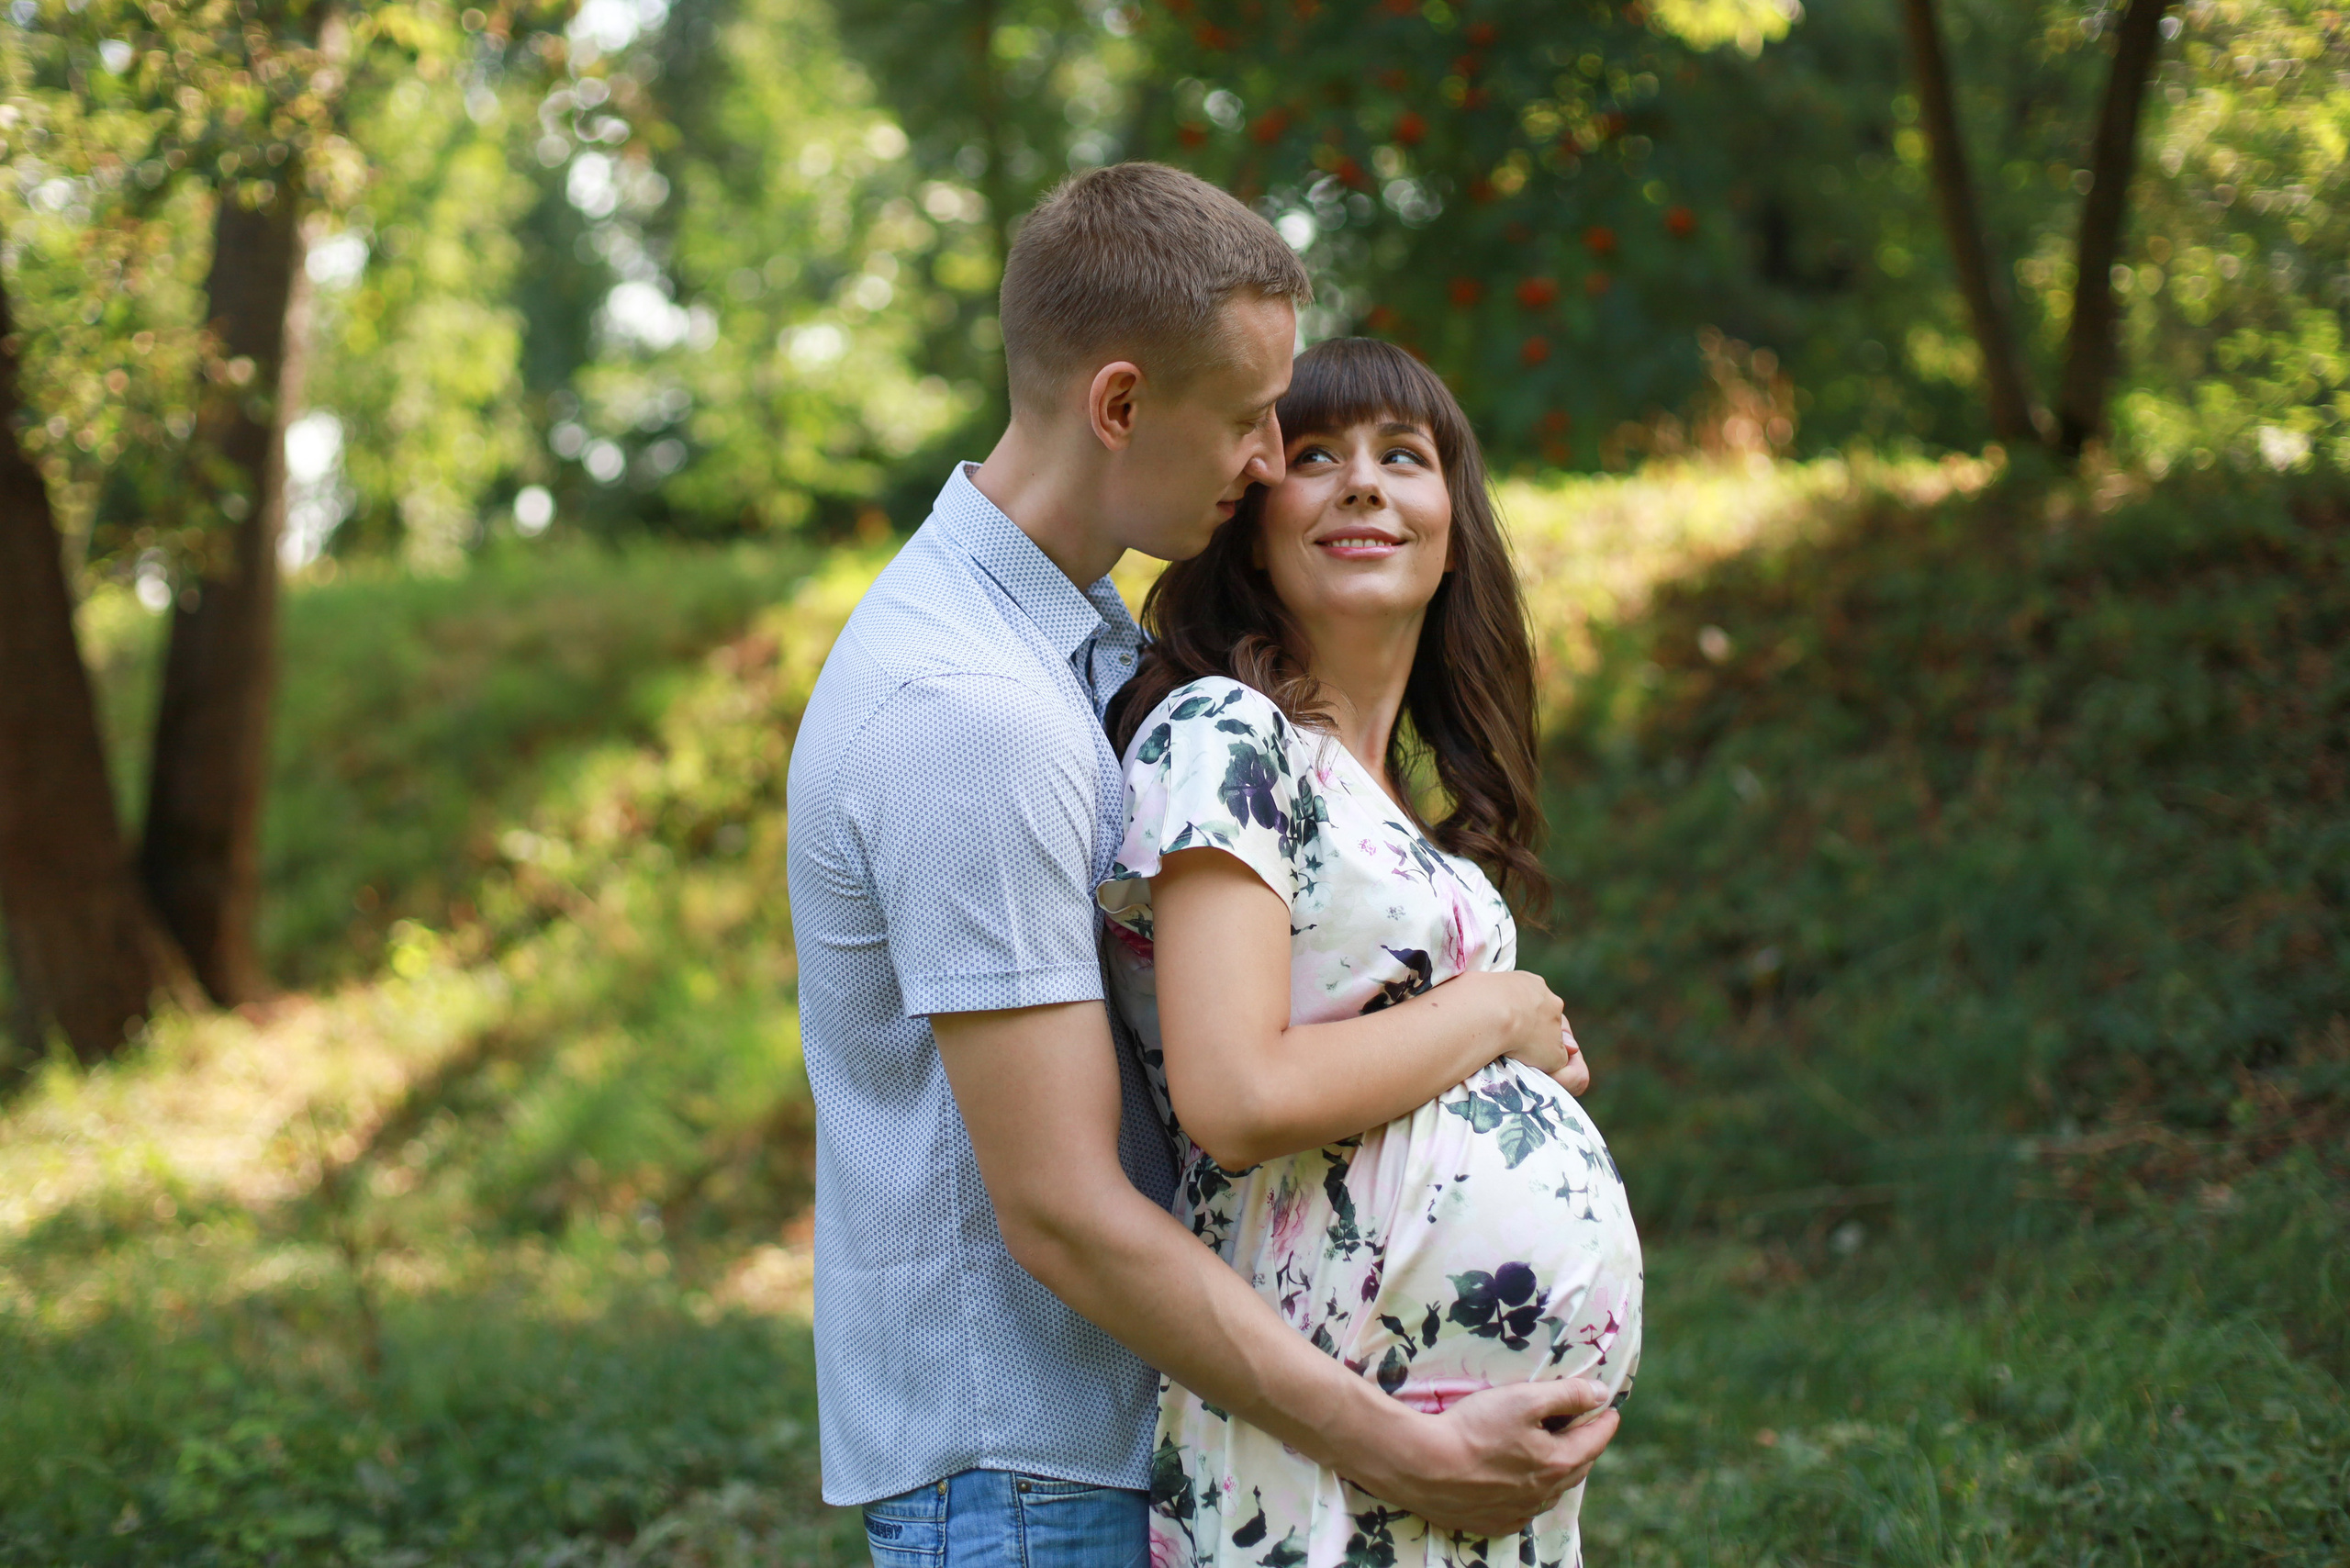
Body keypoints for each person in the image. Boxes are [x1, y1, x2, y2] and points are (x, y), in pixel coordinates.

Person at [786, 163, 1617, 1568]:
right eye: (1250, 423)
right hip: (1040, 1479)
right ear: (1119, 406)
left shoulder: (1073, 642)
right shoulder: (967, 709)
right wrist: (1399, 1446)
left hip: (1136, 1448)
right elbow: (1060, 1211)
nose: (1262, 463)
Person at [1099, 337, 1643, 1568]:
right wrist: (1494, 1017)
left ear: (1455, 520)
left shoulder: (1392, 804)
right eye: (1315, 456)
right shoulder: (1228, 735)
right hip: (1320, 1416)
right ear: (1246, 517)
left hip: (1466, 1454)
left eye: (1405, 456)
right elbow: (1236, 1098)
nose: (1362, 483)